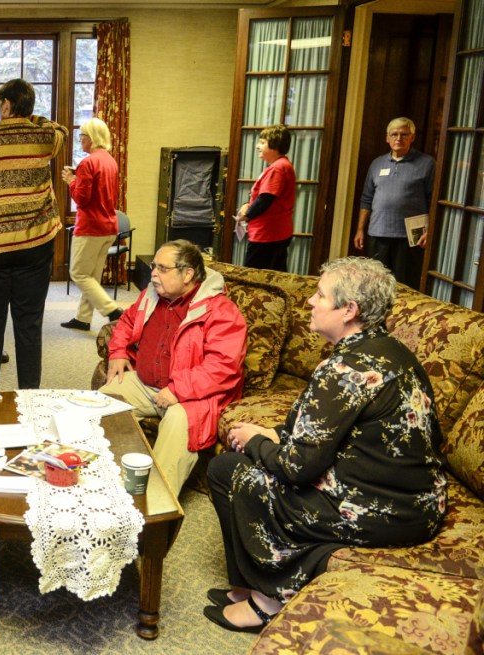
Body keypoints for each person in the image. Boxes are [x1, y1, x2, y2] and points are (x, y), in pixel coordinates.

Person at [204, 256, 446, 633]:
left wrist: (255, 442)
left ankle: (269, 597)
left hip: (384, 511)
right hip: (417, 502)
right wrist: (276, 439)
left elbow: (297, 468)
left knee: (227, 470)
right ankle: (250, 586)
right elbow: (330, 433)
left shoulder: (345, 369)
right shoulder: (392, 350)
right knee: (252, 459)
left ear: (349, 310)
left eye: (320, 295)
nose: (310, 302)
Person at [99, 240, 246, 497]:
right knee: (103, 401)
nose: (153, 273)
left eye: (162, 268)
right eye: (154, 266)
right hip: (145, 384)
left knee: (178, 421)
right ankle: (104, 480)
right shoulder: (151, 295)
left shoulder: (221, 310)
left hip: (193, 397)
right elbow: (125, 321)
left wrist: (177, 389)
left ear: (187, 273)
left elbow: (224, 366)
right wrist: (118, 351)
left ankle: (153, 504)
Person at [0, 78, 67, 389]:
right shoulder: (44, 135)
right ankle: (30, 398)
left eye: (0, 104)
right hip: (35, 243)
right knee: (29, 324)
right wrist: (33, 117)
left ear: (5, 105)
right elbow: (61, 130)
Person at [354, 117, 435, 288]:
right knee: (375, 285)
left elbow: (433, 201)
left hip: (409, 239)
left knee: (405, 286)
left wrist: (430, 230)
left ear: (412, 137)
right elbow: (366, 199)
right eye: (394, 134)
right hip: (378, 234)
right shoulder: (377, 164)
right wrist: (360, 229)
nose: (399, 138)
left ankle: (404, 315)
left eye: (404, 134)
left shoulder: (427, 164)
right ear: (387, 137)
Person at [59, 117, 123, 331]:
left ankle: (112, 310)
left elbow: (82, 199)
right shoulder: (110, 161)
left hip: (90, 227)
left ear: (91, 138)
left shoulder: (87, 163)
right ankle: (83, 318)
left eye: (82, 136)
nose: (80, 141)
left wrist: (71, 181)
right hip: (109, 226)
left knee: (78, 273)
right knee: (92, 276)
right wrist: (79, 179)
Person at [237, 124, 295, 272]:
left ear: (275, 145)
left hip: (268, 233)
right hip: (277, 231)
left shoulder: (277, 168)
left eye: (262, 142)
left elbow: (266, 198)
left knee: (254, 276)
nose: (258, 146)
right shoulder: (281, 165)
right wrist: (246, 204)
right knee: (276, 274)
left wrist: (246, 215)